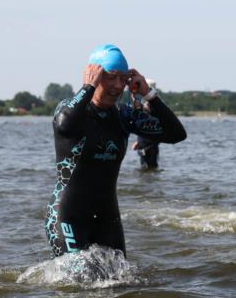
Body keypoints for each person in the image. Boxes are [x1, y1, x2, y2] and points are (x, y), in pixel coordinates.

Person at [46, 44, 186, 257]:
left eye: (123, 78)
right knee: (83, 281)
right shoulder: (69, 109)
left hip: (107, 219)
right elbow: (64, 126)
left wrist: (149, 95)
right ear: (94, 75)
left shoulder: (123, 115)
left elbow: (176, 134)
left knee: (121, 284)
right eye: (111, 77)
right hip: (68, 217)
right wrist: (87, 88)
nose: (118, 85)